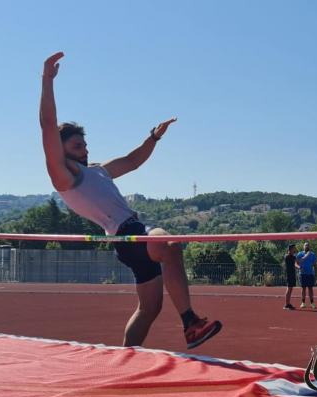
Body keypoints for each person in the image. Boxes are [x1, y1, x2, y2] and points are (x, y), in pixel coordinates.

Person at [39, 52, 221, 349]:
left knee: (150, 308)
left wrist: (153, 138)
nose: (84, 150)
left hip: (131, 234)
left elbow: (132, 161)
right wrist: (47, 80)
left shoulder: (95, 170)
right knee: (170, 244)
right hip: (125, 235)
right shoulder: (64, 176)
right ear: (59, 150)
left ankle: (124, 358)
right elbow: (48, 125)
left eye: (85, 144)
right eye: (77, 145)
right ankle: (190, 322)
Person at [296, 242, 317, 309]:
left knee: (310, 289)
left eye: (308, 245)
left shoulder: (312, 254)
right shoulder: (299, 254)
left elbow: (315, 265)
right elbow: (296, 263)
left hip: (310, 274)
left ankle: (312, 303)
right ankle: (303, 302)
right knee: (303, 289)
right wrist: (299, 267)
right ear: (303, 246)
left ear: (309, 247)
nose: (306, 246)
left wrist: (315, 275)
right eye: (305, 245)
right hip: (302, 274)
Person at [283, 244, 297, 310]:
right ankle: (286, 305)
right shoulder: (287, 256)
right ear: (290, 249)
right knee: (288, 289)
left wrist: (299, 267)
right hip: (289, 275)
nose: (294, 249)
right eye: (293, 248)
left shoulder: (293, 256)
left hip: (292, 274)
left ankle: (288, 303)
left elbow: (296, 262)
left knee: (291, 289)